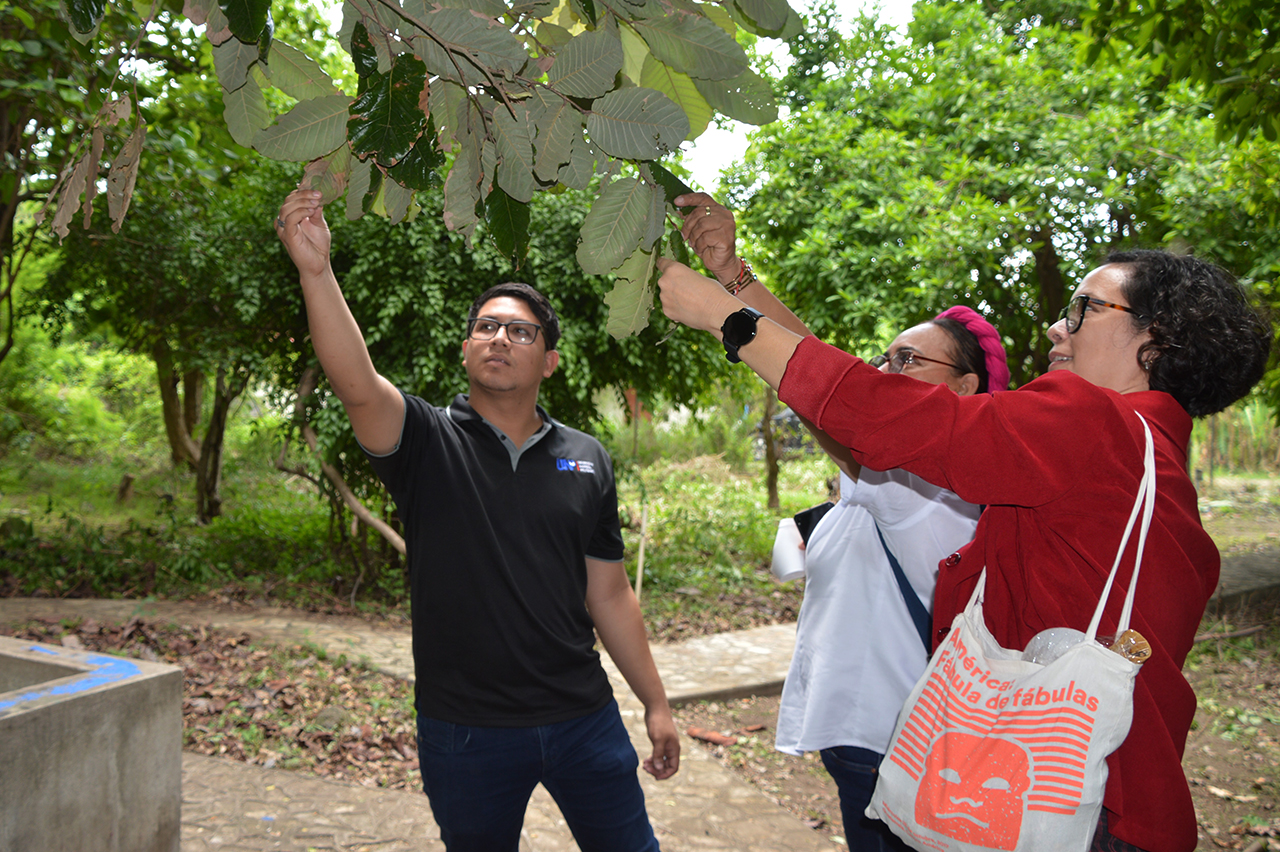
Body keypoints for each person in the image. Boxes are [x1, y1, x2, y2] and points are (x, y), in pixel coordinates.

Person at [656, 229, 1272, 852]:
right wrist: (736, 288)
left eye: (1084, 309)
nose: (1058, 329)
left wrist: (727, 319)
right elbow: (867, 398)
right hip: (1116, 792)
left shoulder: (1093, 423)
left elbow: (881, 414)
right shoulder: (1151, 455)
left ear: (1157, 339)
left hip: (1072, 807)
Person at [274, 188, 680, 852]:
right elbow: (356, 383)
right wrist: (315, 272)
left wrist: (656, 703)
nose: (500, 337)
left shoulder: (587, 457)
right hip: (466, 731)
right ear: (466, 351)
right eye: (487, 326)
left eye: (521, 330)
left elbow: (608, 592)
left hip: (584, 717)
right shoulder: (427, 442)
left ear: (548, 360)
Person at [678, 194, 1009, 851]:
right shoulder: (898, 471)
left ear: (966, 391)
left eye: (907, 361)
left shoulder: (932, 478)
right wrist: (732, 273)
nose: (882, 374)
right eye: (882, 360)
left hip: (896, 744)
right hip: (872, 741)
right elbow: (829, 374)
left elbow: (822, 387)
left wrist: (729, 304)